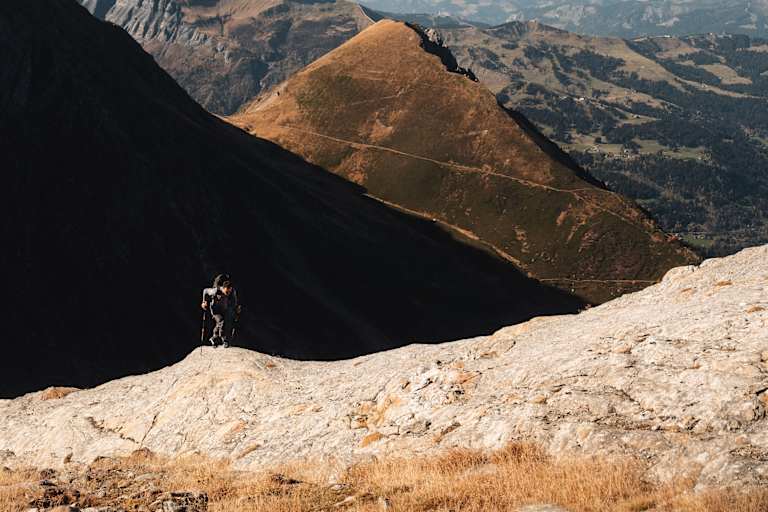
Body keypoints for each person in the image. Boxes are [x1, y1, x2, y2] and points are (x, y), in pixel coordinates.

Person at [201, 274, 240, 348]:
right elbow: (205, 291)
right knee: (221, 321)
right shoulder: (215, 291)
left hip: (223, 309)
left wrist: (236, 308)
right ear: (223, 288)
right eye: (227, 291)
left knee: (220, 324)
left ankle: (213, 338)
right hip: (215, 310)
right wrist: (204, 302)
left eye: (229, 291)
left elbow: (234, 301)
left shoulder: (232, 292)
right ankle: (224, 339)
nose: (228, 293)